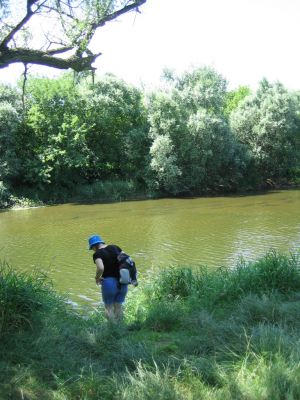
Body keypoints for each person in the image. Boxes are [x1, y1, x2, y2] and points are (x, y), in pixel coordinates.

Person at [88, 234, 128, 322]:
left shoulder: (97, 254)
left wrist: (97, 278)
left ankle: (113, 330)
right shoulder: (115, 247)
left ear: (94, 246)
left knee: (108, 308)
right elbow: (127, 259)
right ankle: (121, 329)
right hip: (123, 281)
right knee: (118, 306)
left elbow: (100, 268)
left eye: (92, 248)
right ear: (101, 242)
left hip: (109, 283)